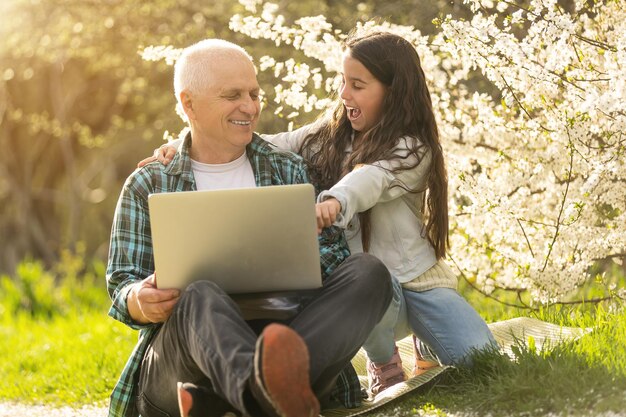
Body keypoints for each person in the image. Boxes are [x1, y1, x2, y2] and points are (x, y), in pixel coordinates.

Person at [143, 31, 497, 397]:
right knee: (369, 278)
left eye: (357, 85)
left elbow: (369, 179)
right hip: (370, 287)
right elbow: (272, 143)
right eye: (342, 82)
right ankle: (384, 362)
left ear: (394, 91)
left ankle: (424, 342)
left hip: (417, 281)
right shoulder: (330, 135)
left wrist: (335, 201)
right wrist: (184, 139)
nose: (345, 95)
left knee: (482, 362)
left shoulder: (413, 149)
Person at [107, 38, 393, 417]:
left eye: (255, 94)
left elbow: (334, 259)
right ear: (188, 103)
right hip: (184, 360)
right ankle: (266, 396)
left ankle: (243, 402)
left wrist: (294, 250)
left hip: (284, 329)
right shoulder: (148, 184)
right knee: (200, 294)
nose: (250, 106)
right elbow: (121, 281)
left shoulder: (286, 169)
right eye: (233, 95)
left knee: (368, 273)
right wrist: (139, 300)